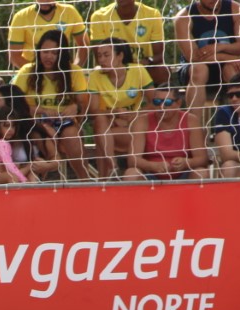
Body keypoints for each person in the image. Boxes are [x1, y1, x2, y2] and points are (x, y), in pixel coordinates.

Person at [12, 29, 92, 181]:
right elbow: (14, 103)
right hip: (35, 122)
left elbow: (83, 103)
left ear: (62, 55)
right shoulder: (27, 71)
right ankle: (43, 178)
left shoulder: (74, 72)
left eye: (54, 53)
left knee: (71, 136)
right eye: (45, 52)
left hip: (65, 122)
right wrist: (41, 110)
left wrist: (76, 107)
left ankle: (85, 180)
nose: (48, 56)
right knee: (41, 135)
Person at [87, 39, 153, 179]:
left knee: (102, 138)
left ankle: (106, 178)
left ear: (120, 56)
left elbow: (154, 102)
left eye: (106, 55)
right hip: (109, 124)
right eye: (99, 56)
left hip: (133, 124)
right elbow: (92, 111)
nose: (101, 60)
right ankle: (113, 168)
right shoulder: (95, 76)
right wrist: (115, 114)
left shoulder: (137, 70)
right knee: (100, 122)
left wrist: (133, 116)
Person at [174, 0, 240, 112]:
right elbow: (194, 57)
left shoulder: (235, 9)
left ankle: (237, 123)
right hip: (194, 70)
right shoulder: (183, 17)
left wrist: (219, 47)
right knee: (199, 70)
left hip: (228, 66)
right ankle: (195, 125)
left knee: (233, 70)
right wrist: (227, 57)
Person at [123, 85, 209, 180]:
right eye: (157, 102)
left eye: (167, 102)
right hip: (151, 175)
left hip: (184, 174)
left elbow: (202, 159)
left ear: (178, 103)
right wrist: (152, 166)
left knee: (202, 172)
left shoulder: (191, 120)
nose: (161, 106)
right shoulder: (142, 121)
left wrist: (186, 163)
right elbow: (132, 160)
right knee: (131, 174)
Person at [89, 0, 169, 86]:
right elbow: (99, 57)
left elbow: (160, 55)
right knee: (97, 71)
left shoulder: (152, 14)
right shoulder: (99, 16)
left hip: (142, 67)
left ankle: (158, 98)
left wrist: (148, 61)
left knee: (162, 70)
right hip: (114, 68)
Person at [8, 2, 89, 69]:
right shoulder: (21, 17)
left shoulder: (69, 12)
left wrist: (74, 70)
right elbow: (14, 56)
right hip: (32, 72)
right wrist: (37, 73)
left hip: (62, 72)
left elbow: (84, 44)